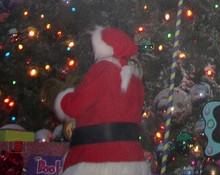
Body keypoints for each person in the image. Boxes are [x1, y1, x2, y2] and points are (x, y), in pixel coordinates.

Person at [53, 26, 150, 175]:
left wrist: (63, 99)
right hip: (132, 160)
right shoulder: (135, 80)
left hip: (94, 158)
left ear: (102, 47)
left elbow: (76, 106)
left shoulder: (103, 69)